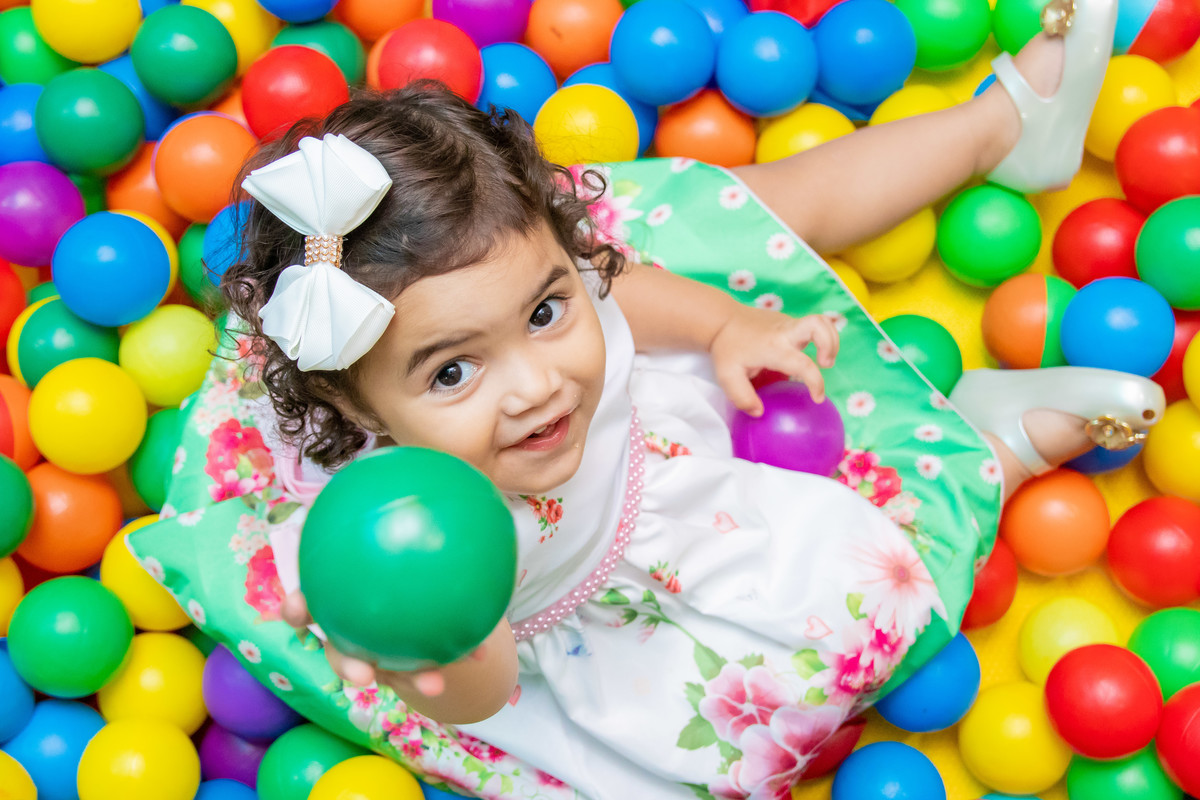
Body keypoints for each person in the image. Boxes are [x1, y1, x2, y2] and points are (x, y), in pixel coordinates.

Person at [129, 0, 1164, 796]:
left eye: (541, 315)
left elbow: (609, 284)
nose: (538, 385)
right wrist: (428, 647)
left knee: (762, 211)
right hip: (622, 612)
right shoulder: (412, 529)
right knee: (866, 609)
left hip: (661, 464)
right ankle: (990, 443)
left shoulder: (549, 296)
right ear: (366, 415)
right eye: (453, 371)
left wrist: (725, 326)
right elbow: (483, 696)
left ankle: (1000, 127)